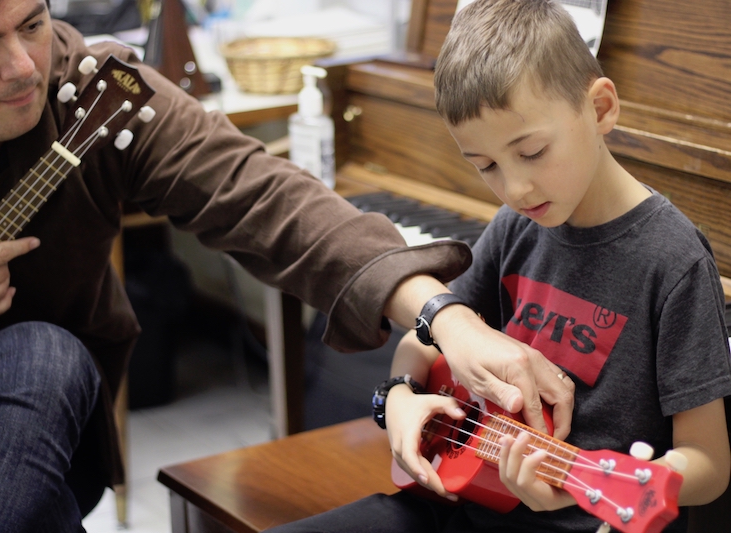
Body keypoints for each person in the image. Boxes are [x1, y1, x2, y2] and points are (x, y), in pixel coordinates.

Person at [0, 0, 576, 530]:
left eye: (33, 26)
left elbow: (263, 197)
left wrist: (445, 317)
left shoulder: (88, 93)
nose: (22, 66)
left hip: (35, 432)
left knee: (41, 358)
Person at [265, 1, 731, 532]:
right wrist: (398, 396)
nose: (514, 189)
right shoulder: (517, 226)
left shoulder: (673, 259)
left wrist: (613, 479)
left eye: (531, 152)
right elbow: (428, 338)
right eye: (485, 165)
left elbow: (710, 466)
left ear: (600, 110)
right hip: (461, 501)